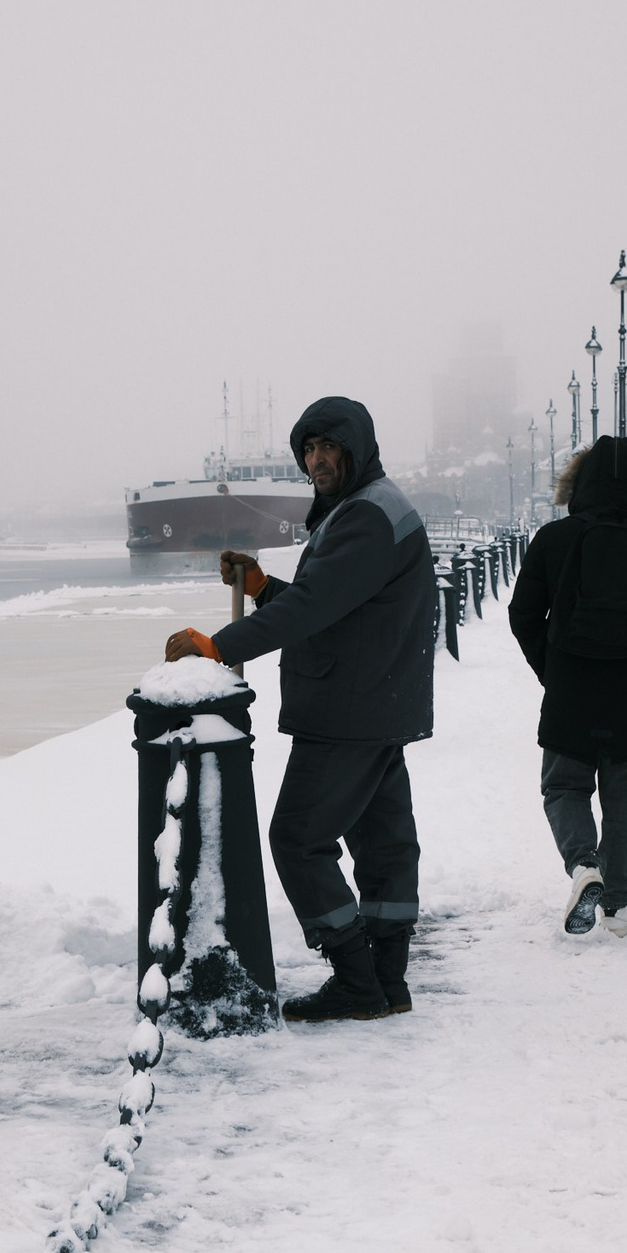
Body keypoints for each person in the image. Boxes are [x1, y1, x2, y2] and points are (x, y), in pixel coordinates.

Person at [163, 396, 435, 1023]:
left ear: (355, 448)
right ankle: (387, 983)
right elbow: (337, 602)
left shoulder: (365, 516)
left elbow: (316, 607)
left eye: (327, 447)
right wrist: (260, 588)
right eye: (308, 449)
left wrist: (218, 645)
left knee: (297, 837)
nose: (315, 460)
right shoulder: (371, 507)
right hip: (375, 700)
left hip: (349, 708)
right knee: (382, 840)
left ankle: (355, 980)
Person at [506, 437, 627, 938]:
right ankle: (615, 904)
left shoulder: (553, 539)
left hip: (570, 693)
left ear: (579, 485)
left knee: (563, 787)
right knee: (623, 803)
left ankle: (582, 865)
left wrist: (552, 668)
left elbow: (522, 613)